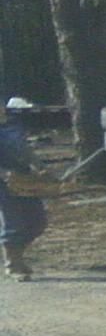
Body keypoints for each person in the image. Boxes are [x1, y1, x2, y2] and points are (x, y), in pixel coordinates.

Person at [0, 104, 48, 282]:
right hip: (3, 181)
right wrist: (4, 173)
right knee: (13, 223)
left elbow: (26, 149)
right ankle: (12, 265)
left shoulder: (14, 125)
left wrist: (40, 167)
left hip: (25, 177)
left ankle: (18, 256)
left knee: (37, 222)